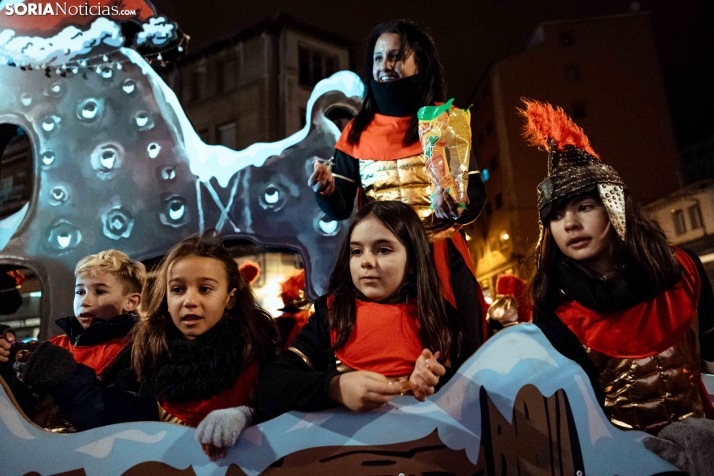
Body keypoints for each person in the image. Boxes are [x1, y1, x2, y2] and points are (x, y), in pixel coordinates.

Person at [521, 99, 714, 434]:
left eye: (584, 206)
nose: (569, 224)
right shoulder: (555, 309)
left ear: (614, 206)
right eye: (556, 215)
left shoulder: (684, 270)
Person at [14, 232, 280, 461]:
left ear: (230, 298)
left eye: (205, 289)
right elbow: (118, 418)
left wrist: (247, 416)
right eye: (177, 289)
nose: (189, 300)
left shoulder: (256, 350)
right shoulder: (147, 352)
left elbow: (286, 413)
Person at [307, 19, 488, 350]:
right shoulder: (356, 132)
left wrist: (455, 204)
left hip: (443, 259)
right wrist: (327, 189)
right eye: (377, 58)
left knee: (463, 356)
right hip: (384, 265)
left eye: (395, 56)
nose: (385, 66)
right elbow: (340, 208)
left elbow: (474, 193)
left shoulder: (445, 121)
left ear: (419, 62)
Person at [258, 201, 478, 417]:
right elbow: (271, 385)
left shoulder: (441, 317)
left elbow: (473, 398)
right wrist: (336, 387)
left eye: (383, 250)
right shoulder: (332, 314)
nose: (367, 262)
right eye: (356, 251)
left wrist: (436, 385)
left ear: (412, 262)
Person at [0, 249, 145, 431]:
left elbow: (124, 416)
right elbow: (28, 410)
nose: (84, 301)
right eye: (80, 291)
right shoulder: (55, 344)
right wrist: (6, 367)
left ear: (131, 302)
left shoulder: (137, 349)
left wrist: (67, 377)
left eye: (100, 291)